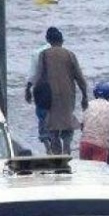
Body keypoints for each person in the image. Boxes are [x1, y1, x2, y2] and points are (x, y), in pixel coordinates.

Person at [31, 27, 88, 155]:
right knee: (67, 123)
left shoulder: (44, 55)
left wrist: (32, 92)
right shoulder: (69, 54)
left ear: (48, 40)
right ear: (62, 41)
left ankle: (57, 155)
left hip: (51, 97)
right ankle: (67, 149)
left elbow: (39, 76)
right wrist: (84, 96)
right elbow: (79, 77)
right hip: (68, 96)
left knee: (53, 128)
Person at [24, 38, 52, 153]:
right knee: (53, 119)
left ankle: (48, 148)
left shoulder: (37, 54)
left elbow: (32, 74)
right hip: (53, 91)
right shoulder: (61, 52)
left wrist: (28, 89)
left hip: (40, 92)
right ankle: (55, 147)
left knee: (42, 119)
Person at [79, 82, 109, 162]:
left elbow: (82, 126)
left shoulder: (88, 105)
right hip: (101, 145)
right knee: (98, 171)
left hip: (85, 142)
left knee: (84, 170)